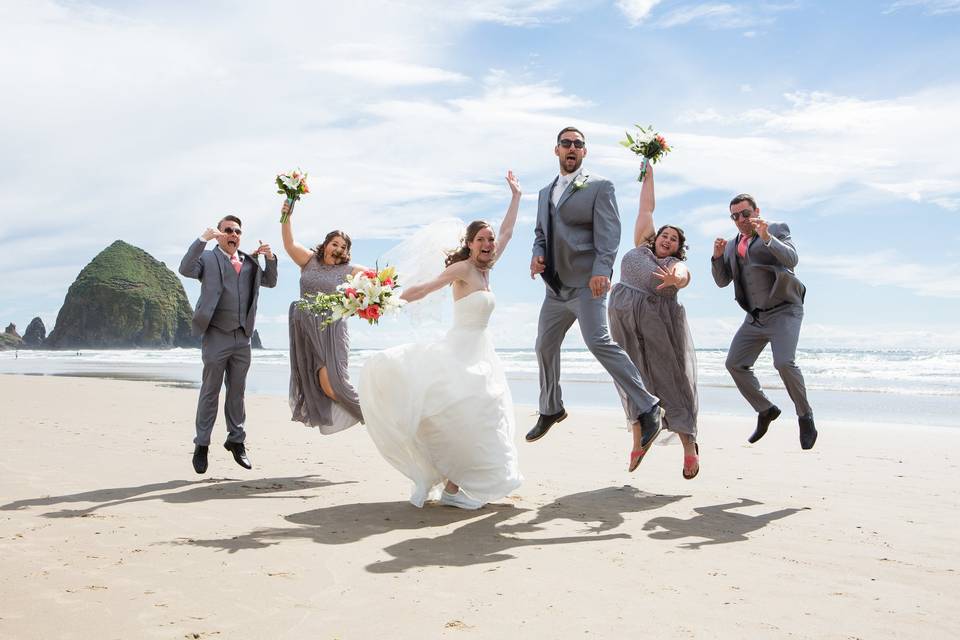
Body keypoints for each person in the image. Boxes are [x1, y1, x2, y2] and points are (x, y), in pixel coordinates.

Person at [359, 171, 523, 510]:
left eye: (490, 239)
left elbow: (508, 232)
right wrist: (384, 300)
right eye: (481, 239)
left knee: (480, 416)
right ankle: (451, 487)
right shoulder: (463, 269)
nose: (489, 243)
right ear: (469, 243)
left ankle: (452, 488)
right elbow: (425, 288)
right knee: (466, 415)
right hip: (458, 352)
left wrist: (516, 197)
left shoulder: (486, 269)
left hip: (480, 352)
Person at [528, 126, 664, 470]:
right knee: (544, 344)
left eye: (578, 144)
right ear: (556, 150)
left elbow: (610, 232)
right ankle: (551, 408)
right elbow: (540, 233)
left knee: (598, 342)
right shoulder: (544, 193)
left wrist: (602, 269)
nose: (572, 148)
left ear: (584, 153)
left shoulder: (600, 187)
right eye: (566, 143)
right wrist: (537, 254)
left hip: (589, 284)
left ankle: (648, 407)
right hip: (555, 287)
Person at [607, 164, 700, 479]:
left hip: (657, 326)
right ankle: (638, 442)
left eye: (674, 240)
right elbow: (646, 206)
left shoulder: (673, 264)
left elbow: (685, 277)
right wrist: (648, 172)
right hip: (623, 322)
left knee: (671, 383)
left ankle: (689, 448)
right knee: (631, 380)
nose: (668, 240)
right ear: (655, 236)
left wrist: (677, 277)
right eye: (665, 235)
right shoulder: (640, 248)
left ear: (677, 248)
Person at [711, 194, 816, 449]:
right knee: (734, 363)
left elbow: (791, 259)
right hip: (755, 317)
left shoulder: (777, 228)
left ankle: (805, 417)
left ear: (756, 211)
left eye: (745, 213)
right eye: (735, 216)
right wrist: (716, 257)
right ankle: (765, 410)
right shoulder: (732, 245)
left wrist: (767, 237)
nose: (741, 220)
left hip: (785, 311)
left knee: (783, 362)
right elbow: (722, 281)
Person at [179, 215, 278, 473]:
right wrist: (202, 240)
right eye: (228, 230)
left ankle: (236, 441)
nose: (233, 234)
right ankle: (201, 445)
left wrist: (270, 258)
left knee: (237, 392)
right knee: (210, 391)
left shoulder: (249, 262)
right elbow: (185, 269)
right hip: (216, 335)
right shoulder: (208, 259)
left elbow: (270, 281)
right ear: (219, 234)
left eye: (237, 231)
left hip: (242, 337)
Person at [280, 200, 366, 434]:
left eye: (343, 247)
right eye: (334, 243)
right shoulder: (308, 261)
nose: (338, 249)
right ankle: (373, 416)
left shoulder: (350, 271)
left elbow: (379, 282)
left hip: (332, 331)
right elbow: (288, 243)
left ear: (347, 253)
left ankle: (374, 415)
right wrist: (286, 216)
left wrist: (358, 302)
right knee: (324, 387)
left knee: (334, 385)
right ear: (325, 245)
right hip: (306, 332)